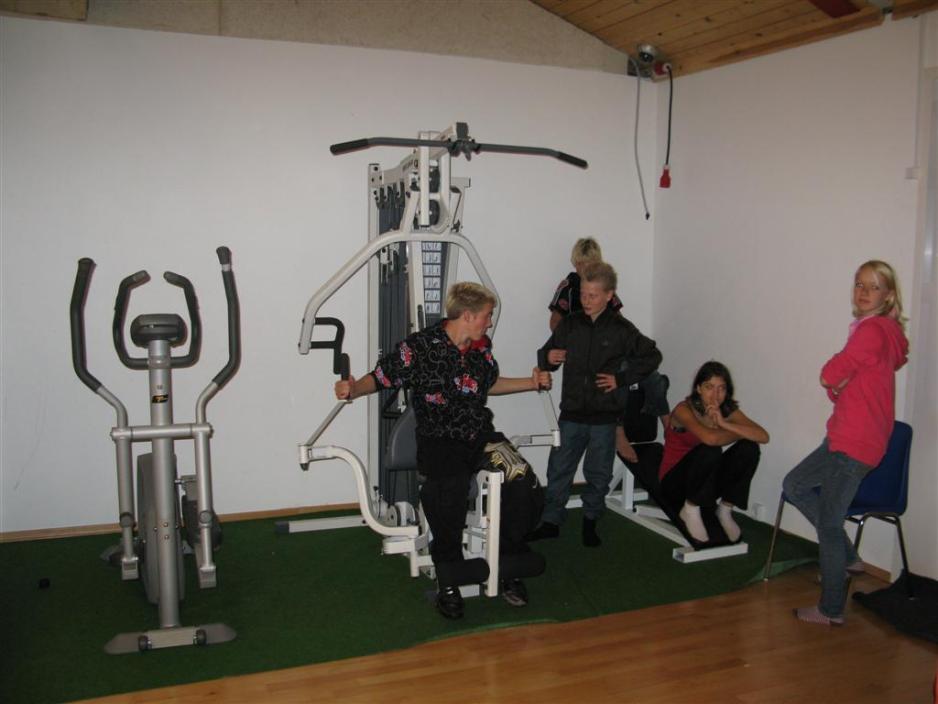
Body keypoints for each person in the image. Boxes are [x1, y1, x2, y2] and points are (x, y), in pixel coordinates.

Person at [335, 282, 551, 620]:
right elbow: (380, 377)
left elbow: (487, 383)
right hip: (439, 439)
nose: (489, 322)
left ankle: (507, 561)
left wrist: (531, 382)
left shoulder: (481, 347)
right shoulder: (419, 347)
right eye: (486, 316)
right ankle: (449, 577)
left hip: (479, 434)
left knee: (522, 479)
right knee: (447, 492)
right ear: (467, 315)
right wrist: (352, 389)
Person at [784, 260, 908, 626]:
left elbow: (830, 374)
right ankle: (850, 557)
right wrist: (839, 387)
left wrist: (835, 381)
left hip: (855, 442)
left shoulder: (872, 331)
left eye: (874, 286)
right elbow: (849, 385)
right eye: (859, 284)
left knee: (828, 524)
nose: (864, 292)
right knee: (796, 484)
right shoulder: (882, 331)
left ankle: (831, 609)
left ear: (888, 295)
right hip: (847, 435)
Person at [530, 260, 662, 547]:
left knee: (598, 473)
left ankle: (590, 520)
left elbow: (652, 356)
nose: (586, 300)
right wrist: (548, 358)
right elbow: (546, 354)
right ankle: (551, 521)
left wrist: (621, 378)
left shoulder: (621, 328)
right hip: (571, 413)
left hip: (604, 416)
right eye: (583, 294)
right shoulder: (570, 323)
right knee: (559, 468)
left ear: (608, 295)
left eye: (592, 295)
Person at [547, 237, 668, 463]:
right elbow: (555, 322)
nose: (584, 268)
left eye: (590, 263)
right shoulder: (568, 286)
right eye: (581, 264)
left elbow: (619, 322)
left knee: (652, 374)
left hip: (610, 348)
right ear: (575, 264)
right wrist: (570, 343)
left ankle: (667, 421)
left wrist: (619, 342)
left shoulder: (604, 285)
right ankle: (618, 430)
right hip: (586, 356)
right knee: (615, 373)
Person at [658, 361, 769, 545]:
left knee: (749, 448)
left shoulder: (726, 410)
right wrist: (738, 431)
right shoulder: (683, 410)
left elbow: (763, 436)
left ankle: (724, 510)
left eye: (721, 388)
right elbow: (710, 439)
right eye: (709, 387)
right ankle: (690, 509)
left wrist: (724, 424)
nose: (715, 395)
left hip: (704, 481)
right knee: (710, 449)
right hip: (674, 483)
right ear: (698, 388)